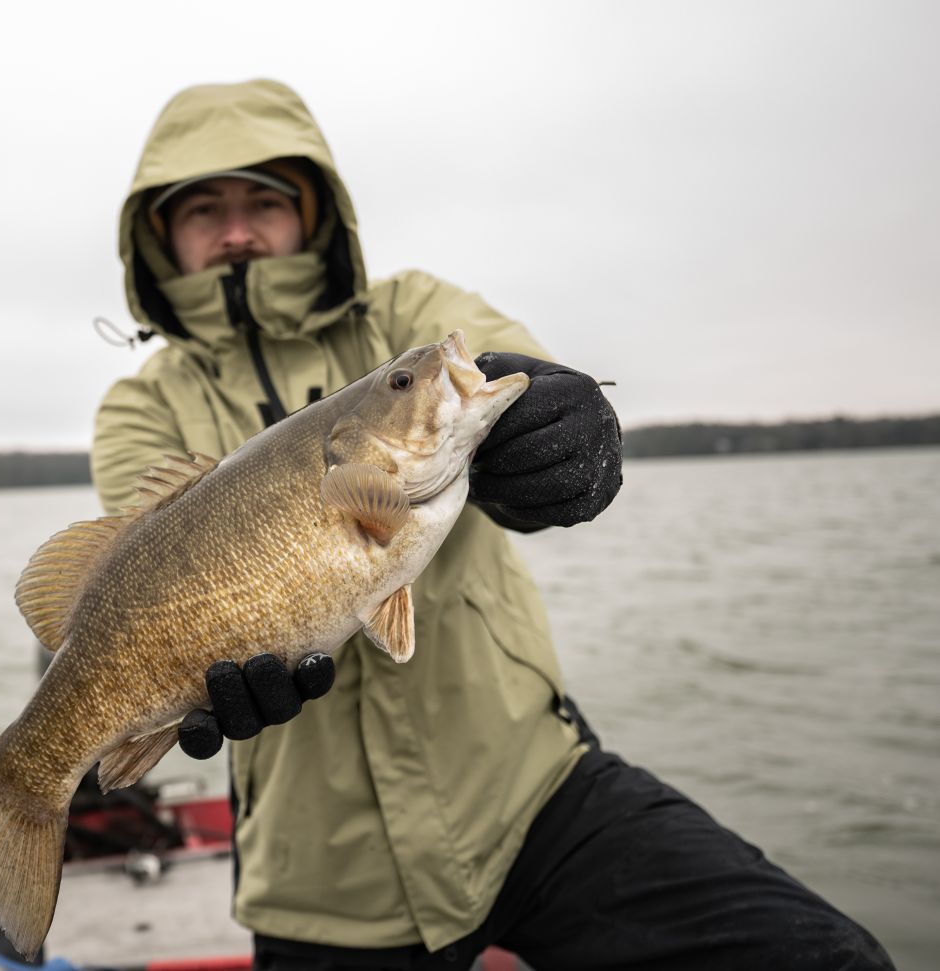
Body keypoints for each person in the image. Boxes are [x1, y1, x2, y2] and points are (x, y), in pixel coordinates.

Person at [90, 80, 891, 971]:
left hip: (530, 792)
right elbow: (138, 569)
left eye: (265, 201)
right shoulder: (137, 407)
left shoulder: (410, 313)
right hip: (316, 874)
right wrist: (192, 681)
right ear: (158, 237)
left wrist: (566, 431)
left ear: (314, 213)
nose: (237, 229)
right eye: (204, 208)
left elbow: (522, 382)